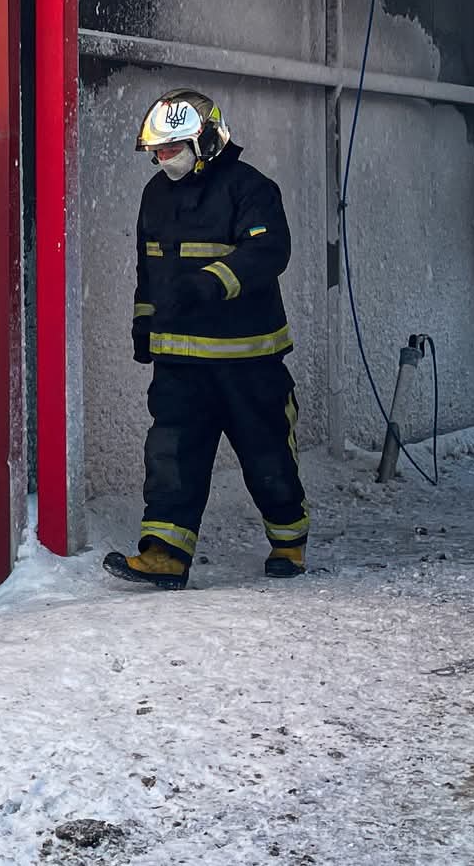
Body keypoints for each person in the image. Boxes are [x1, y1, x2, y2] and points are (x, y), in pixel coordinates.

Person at [104, 89, 310, 590]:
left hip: (249, 360)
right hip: (177, 361)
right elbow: (148, 268)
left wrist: (211, 282)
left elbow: (268, 252)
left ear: (207, 140)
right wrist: (143, 323)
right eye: (157, 151)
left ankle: (288, 540)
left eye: (171, 149)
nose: (160, 159)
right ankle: (165, 556)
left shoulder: (251, 189)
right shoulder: (155, 195)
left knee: (267, 455)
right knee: (171, 456)